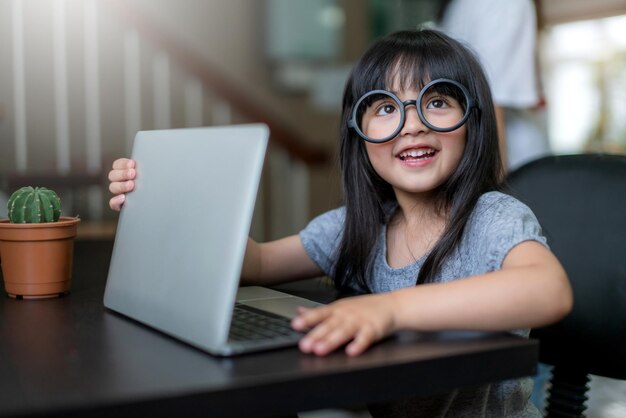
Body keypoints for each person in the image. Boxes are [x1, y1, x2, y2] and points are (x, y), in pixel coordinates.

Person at [108, 29, 572, 417]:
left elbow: (548, 291)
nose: (412, 124)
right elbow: (257, 263)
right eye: (386, 108)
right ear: (361, 135)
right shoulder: (357, 227)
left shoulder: (492, 218)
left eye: (437, 102)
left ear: (472, 121)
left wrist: (389, 310)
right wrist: (164, 197)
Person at [436, 0, 551, 171]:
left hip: (480, 159)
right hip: (514, 163)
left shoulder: (459, 6)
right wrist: (497, 187)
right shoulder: (504, 4)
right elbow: (492, 102)